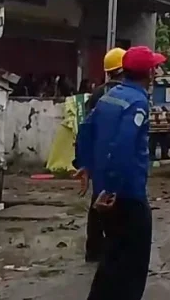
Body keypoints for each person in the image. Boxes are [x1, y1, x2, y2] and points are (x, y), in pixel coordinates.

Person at [84, 45, 165, 300]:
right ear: (148, 73)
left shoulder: (110, 96)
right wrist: (113, 189)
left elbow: (86, 129)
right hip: (127, 196)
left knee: (111, 259)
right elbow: (123, 145)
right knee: (133, 268)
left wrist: (85, 166)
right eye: (154, 68)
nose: (156, 72)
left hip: (106, 192)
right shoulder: (138, 102)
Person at [75, 47, 125, 263]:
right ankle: (116, 248)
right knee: (120, 201)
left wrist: (84, 161)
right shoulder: (126, 93)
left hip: (98, 155)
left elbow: (86, 126)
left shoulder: (97, 93)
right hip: (117, 154)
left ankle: (93, 248)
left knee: (98, 200)